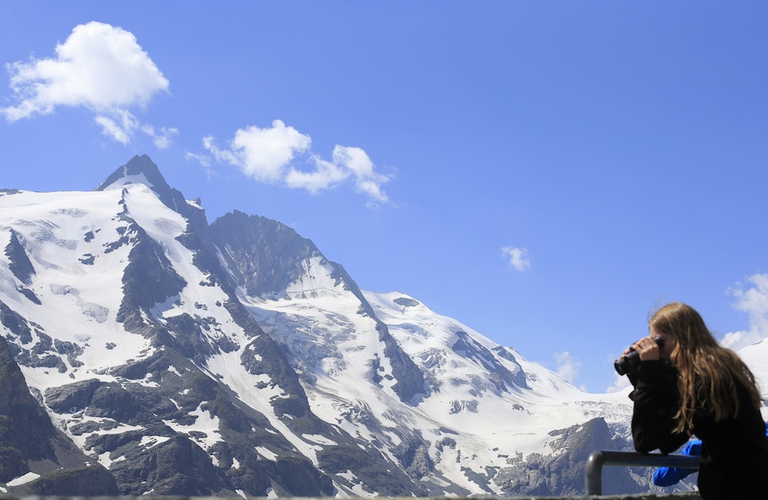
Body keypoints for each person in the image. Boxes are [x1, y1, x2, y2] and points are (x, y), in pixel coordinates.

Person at [622, 302, 768, 499]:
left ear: (681, 337)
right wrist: (640, 378)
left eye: (659, 342)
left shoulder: (705, 384)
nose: (658, 350)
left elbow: (647, 439)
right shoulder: (718, 371)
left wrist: (649, 376)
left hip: (737, 489)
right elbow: (666, 419)